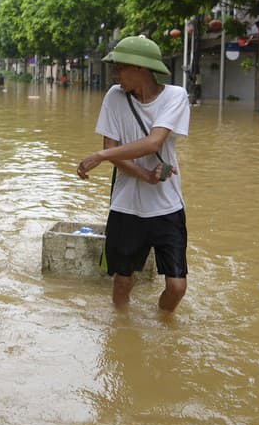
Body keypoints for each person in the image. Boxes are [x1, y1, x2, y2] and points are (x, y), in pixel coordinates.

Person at [76, 35, 190, 313]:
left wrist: (100, 157)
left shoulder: (176, 96)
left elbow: (154, 142)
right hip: (126, 205)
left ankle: (162, 323)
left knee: (177, 287)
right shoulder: (114, 97)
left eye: (120, 68)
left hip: (167, 205)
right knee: (122, 282)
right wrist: (143, 174)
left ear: (140, 68)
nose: (115, 75)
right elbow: (112, 148)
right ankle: (122, 330)